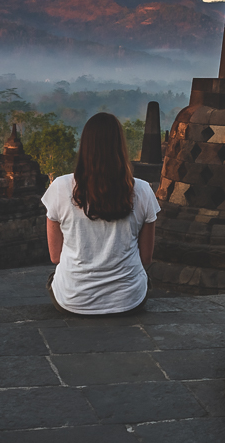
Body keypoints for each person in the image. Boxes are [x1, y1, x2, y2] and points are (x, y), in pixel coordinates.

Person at [41, 112, 160, 315]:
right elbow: (146, 258)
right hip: (128, 300)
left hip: (73, 299)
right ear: (120, 147)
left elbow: (55, 256)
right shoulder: (142, 190)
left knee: (54, 276)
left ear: (84, 147)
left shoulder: (60, 187)